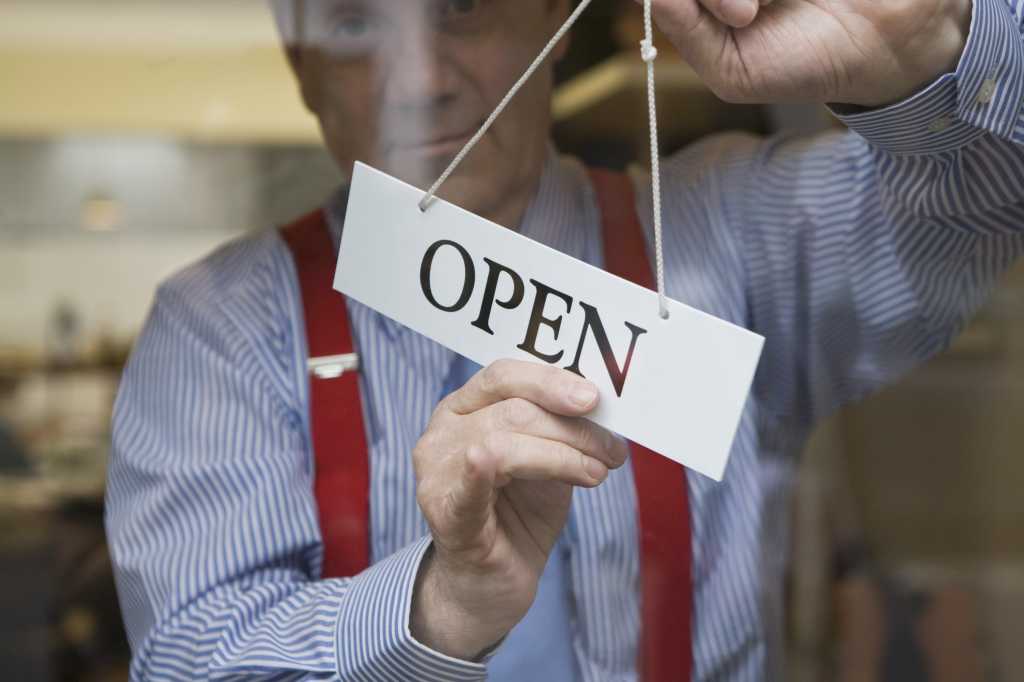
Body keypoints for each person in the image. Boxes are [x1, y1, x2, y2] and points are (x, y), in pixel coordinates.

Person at [105, 0, 1024, 679]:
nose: (422, 80)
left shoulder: (733, 234)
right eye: (355, 24)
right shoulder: (218, 329)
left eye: (464, 10)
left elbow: (985, 211)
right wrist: (440, 606)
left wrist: (933, 49)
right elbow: (194, 660)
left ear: (554, 17)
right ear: (299, 66)